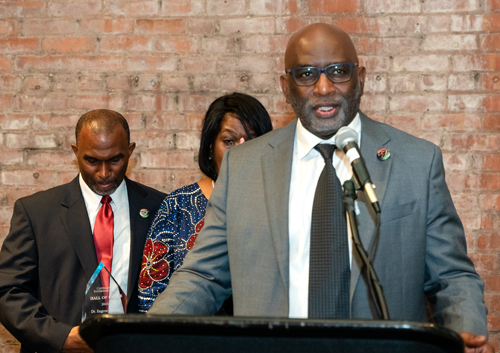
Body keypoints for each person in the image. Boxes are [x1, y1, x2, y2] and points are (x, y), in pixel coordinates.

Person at [149, 24, 492, 352]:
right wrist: (142, 334)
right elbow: (203, 276)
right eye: (307, 74)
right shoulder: (243, 167)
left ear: (361, 78)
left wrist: (469, 333)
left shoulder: (417, 162)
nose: (324, 88)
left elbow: (452, 276)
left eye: (339, 71)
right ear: (286, 86)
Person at [0, 109, 166, 353]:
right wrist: (61, 338)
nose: (104, 173)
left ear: (130, 151)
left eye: (115, 160)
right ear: (75, 151)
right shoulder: (36, 212)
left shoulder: (159, 207)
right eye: (91, 161)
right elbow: (8, 291)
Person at [138, 92, 273, 313]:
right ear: (210, 148)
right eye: (229, 141)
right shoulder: (178, 206)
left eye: (253, 140)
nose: (241, 151)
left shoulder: (279, 203)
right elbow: (150, 292)